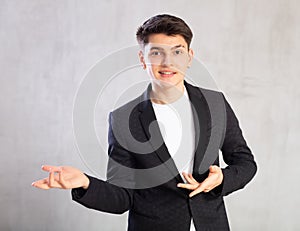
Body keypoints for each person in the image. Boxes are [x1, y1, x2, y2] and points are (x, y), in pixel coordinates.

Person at [32, 14, 257, 231]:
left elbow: (245, 163)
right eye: (157, 52)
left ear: (189, 57)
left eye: (177, 52)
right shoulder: (123, 119)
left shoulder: (214, 103)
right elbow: (122, 197)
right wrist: (85, 183)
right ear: (143, 59)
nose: (168, 62)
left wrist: (222, 179)